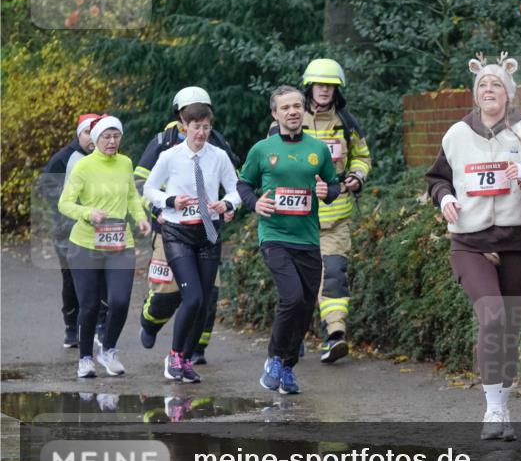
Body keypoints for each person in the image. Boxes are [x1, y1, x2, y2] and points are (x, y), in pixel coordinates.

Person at [426, 53, 521, 440]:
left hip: (514, 243)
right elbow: (437, 179)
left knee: (509, 328)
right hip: (469, 243)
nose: (489, 90)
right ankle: (491, 411)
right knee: (493, 317)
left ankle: (503, 407)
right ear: (475, 94)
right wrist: (444, 199)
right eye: (483, 85)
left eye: (496, 85)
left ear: (508, 93)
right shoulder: (456, 134)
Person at [237, 85, 340, 394]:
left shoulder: (318, 149)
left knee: (306, 307)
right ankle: (273, 360)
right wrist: (255, 203)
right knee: (291, 298)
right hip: (275, 237)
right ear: (275, 114)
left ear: (304, 111)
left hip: (308, 239)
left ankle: (288, 367)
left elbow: (333, 186)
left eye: (297, 106)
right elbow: (243, 185)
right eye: (286, 108)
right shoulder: (261, 150)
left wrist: (327, 192)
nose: (293, 111)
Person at [268, 59, 371, 363]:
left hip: (334, 216)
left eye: (330, 85)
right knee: (297, 289)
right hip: (293, 222)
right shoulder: (287, 121)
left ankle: (335, 335)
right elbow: (268, 163)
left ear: (336, 89)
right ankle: (292, 336)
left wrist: (357, 176)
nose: (324, 90)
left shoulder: (347, 123)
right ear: (309, 87)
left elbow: (362, 157)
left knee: (335, 276)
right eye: (319, 85)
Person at [134, 87, 241, 363]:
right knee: (167, 293)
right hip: (170, 229)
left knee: (208, 293)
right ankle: (150, 322)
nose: (200, 127)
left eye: (203, 118)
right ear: (181, 117)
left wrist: (228, 206)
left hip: (206, 230)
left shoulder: (216, 144)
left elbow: (234, 182)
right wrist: (160, 207)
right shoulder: (163, 142)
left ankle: (196, 349)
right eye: (191, 116)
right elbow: (141, 183)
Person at [58, 116, 152, 378]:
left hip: (120, 243)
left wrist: (141, 218)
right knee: (88, 305)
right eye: (106, 137)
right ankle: (85, 358)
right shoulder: (83, 167)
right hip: (85, 245)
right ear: (96, 139)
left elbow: (132, 196)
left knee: (120, 302)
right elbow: (64, 204)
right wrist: (88, 212)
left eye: (116, 136)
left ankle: (108, 350)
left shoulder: (125, 163)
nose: (112, 142)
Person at [40, 113, 106, 348]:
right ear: (79, 134)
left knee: (101, 275)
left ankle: (100, 325)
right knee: (72, 278)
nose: (91, 138)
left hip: (101, 228)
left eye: (95, 132)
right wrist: (73, 210)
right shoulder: (63, 159)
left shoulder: (106, 158)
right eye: (87, 132)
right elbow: (46, 188)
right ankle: (71, 327)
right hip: (67, 230)